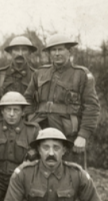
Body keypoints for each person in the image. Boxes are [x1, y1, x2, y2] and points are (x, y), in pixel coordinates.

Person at [23, 34, 100, 162]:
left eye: (60, 49)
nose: (57, 53)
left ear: (69, 51)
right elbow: (27, 99)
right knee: (38, 173)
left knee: (72, 175)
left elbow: (92, 106)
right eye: (53, 50)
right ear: (49, 53)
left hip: (69, 135)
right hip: (41, 132)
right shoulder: (40, 73)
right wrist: (30, 122)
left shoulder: (81, 74)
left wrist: (83, 135)